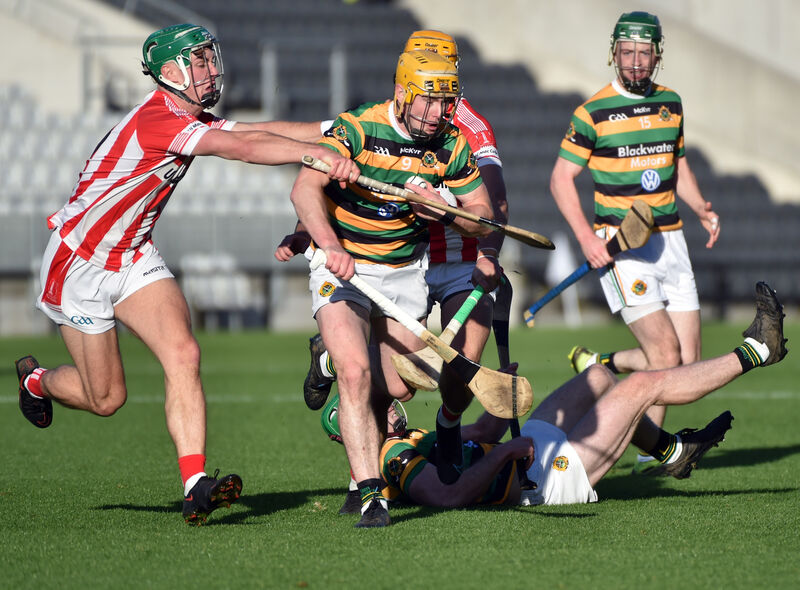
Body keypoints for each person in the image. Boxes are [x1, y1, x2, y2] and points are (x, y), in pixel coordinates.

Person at [13, 23, 360, 526]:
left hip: (132, 256)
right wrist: (317, 155)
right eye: (199, 62)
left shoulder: (188, 114)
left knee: (184, 353)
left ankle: (195, 484)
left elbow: (249, 132)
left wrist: (341, 128)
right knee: (106, 399)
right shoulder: (158, 119)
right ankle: (38, 382)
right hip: (80, 264)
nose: (211, 69)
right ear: (171, 71)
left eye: (209, 59)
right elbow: (239, 149)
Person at [276, 30, 509, 493]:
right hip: (352, 264)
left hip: (414, 264)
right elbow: (312, 179)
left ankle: (437, 426)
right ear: (404, 87)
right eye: (426, 98)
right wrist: (319, 237)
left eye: (445, 97)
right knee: (356, 373)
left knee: (406, 385)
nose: (436, 111)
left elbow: (490, 210)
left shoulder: (461, 137)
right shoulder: (363, 124)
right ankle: (364, 491)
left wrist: (468, 231)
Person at [345, 282, 785, 507]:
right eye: (373, 407)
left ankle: (671, 452)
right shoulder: (390, 458)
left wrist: (502, 393)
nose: (385, 404)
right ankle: (759, 350)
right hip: (541, 482)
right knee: (642, 386)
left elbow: (481, 429)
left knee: (597, 379)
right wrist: (502, 454)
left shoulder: (410, 436)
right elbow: (448, 498)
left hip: (525, 455)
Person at [549, 12, 721, 474]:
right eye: (628, 53)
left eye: (645, 53)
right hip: (621, 245)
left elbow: (676, 165)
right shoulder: (592, 112)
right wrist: (586, 236)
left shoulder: (671, 103)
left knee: (689, 363)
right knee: (665, 356)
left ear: (658, 56)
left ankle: (605, 363)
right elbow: (561, 179)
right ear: (615, 53)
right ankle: (657, 454)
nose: (636, 62)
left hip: (671, 239)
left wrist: (701, 206)